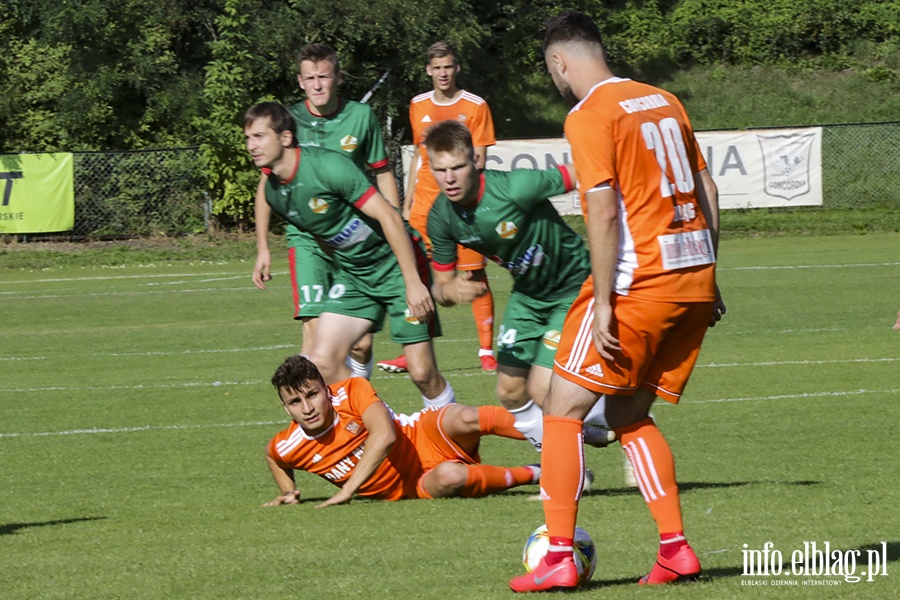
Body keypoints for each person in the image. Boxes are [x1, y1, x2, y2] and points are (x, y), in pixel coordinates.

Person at [509, 12, 726, 592]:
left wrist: (603, 301)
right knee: (629, 414)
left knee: (560, 409)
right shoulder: (663, 99)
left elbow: (601, 209)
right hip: (692, 282)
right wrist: (711, 269)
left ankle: (557, 555)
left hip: (637, 286)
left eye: (550, 71)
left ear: (559, 62)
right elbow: (707, 187)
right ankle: (676, 550)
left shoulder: (588, 114)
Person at [244, 101, 456, 411]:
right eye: (248, 138)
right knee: (322, 363)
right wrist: (263, 248)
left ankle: (453, 440)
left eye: (259, 136)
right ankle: (384, 430)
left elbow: (390, 217)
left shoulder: (329, 167)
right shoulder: (275, 191)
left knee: (423, 373)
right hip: (355, 276)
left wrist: (412, 281)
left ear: (286, 137)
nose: (251, 146)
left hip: (396, 267)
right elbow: (319, 232)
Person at [423, 120, 616, 454]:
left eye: (457, 167)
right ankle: (584, 438)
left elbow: (583, 171)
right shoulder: (440, 217)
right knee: (510, 391)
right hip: (528, 296)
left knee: (544, 387)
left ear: (476, 162)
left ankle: (608, 434)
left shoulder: (516, 187)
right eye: (440, 170)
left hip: (574, 287)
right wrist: (448, 292)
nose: (449, 178)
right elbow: (440, 286)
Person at [252, 43, 400, 379]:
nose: (317, 84)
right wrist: (262, 246)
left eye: (324, 76)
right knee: (314, 329)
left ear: (337, 78)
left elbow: (382, 170)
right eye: (310, 78)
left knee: (360, 343)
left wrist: (395, 222)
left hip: (355, 238)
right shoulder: (288, 121)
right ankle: (325, 418)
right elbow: (266, 185)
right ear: (300, 82)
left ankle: (359, 397)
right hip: (307, 238)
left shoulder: (361, 117)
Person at [263, 354, 540, 506]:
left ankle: (560, 432)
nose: (307, 407)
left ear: (326, 390)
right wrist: (289, 492)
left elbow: (385, 435)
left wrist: (348, 490)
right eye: (295, 402)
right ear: (286, 408)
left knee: (464, 417)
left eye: (312, 395)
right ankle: (537, 473)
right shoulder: (290, 444)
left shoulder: (351, 391)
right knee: (451, 476)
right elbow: (274, 456)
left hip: (421, 435)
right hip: (411, 485)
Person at [378, 41, 498, 375]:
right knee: (415, 274)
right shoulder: (418, 105)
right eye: (437, 68)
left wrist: (472, 203)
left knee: (474, 276)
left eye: (448, 67)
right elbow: (418, 156)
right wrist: (407, 203)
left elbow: (479, 161)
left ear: (456, 68)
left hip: (463, 209)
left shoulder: (475, 106)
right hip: (423, 209)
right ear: (428, 70)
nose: (443, 73)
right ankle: (413, 350)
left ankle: (487, 350)